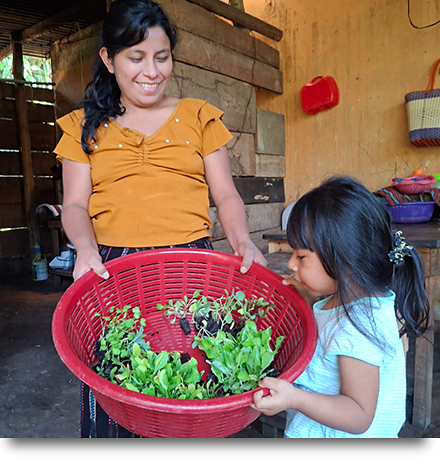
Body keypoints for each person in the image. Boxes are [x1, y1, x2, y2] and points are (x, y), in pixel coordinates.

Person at [53, 0, 266, 437]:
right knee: (121, 383)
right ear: (109, 60)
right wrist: (87, 250)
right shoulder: (83, 127)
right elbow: (74, 205)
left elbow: (224, 193)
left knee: (193, 384)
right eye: (136, 57)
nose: (151, 71)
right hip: (113, 273)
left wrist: (242, 240)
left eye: (161, 56)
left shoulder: (199, 117)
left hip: (192, 268)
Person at [252, 176, 430, 438]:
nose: (291, 264)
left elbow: (358, 414)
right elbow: (325, 314)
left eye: (301, 256)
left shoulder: (357, 327)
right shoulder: (348, 297)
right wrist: (306, 294)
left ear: (343, 262)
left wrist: (294, 399)